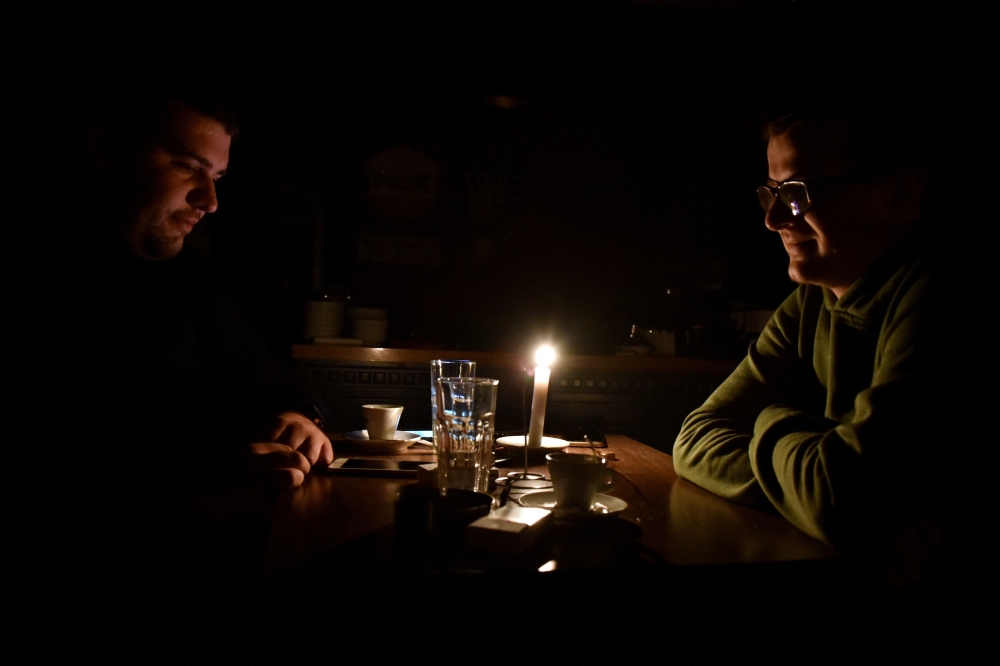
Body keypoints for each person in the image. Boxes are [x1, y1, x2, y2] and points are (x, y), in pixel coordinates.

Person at [671, 98, 983, 588]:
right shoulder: (808, 304)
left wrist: (770, 423)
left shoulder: (946, 297)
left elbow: (845, 499)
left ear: (902, 194)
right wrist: (815, 459)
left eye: (798, 191)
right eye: (771, 192)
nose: (774, 219)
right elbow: (693, 438)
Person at [27, 87, 334, 586]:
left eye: (216, 177)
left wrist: (297, 417)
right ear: (107, 150)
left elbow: (272, 378)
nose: (210, 201)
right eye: (188, 166)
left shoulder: (186, 279)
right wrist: (192, 490)